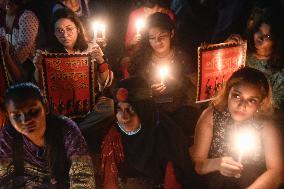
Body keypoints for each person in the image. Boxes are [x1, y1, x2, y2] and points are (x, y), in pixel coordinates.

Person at [191, 67, 283, 189]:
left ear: (260, 103)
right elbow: (197, 163)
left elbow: (277, 172)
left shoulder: (266, 126)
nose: (242, 106)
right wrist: (217, 163)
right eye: (237, 96)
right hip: (214, 181)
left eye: (251, 100)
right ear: (228, 93)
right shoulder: (211, 116)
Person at [101, 77, 197, 189]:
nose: (124, 117)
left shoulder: (168, 137)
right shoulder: (114, 139)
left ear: (144, 110)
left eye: (131, 110)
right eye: (119, 110)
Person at [0, 82, 96, 188]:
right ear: (8, 116)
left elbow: (83, 174)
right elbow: (4, 177)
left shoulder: (65, 128)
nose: (25, 120)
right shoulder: (9, 134)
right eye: (17, 116)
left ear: (45, 107)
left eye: (32, 111)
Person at [129, 12, 200, 145]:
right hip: (150, 107)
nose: (157, 42)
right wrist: (149, 92)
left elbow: (195, 82)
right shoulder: (142, 59)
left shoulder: (181, 57)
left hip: (178, 107)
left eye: (162, 36)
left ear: (171, 34)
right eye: (152, 38)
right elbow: (133, 89)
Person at [0, 0, 39, 81]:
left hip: (25, 69)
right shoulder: (1, 15)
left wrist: (6, 64)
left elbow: (24, 49)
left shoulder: (27, 17)